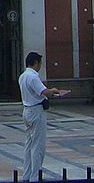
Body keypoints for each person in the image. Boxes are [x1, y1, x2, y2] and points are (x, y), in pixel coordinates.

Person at [19, 51, 69, 180]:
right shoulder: (33, 76)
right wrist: (54, 90)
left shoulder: (23, 76)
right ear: (35, 63)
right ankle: (35, 176)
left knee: (29, 144)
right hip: (36, 111)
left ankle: (27, 174)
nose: (40, 66)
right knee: (38, 145)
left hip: (27, 110)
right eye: (40, 63)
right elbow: (44, 92)